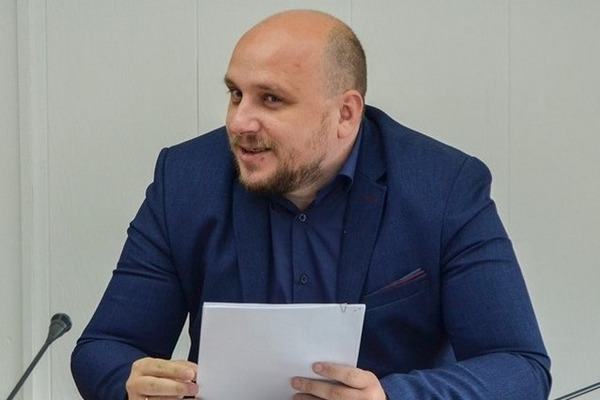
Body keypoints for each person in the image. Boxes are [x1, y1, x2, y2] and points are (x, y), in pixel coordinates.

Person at [71, 9, 551, 400]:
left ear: (345, 113)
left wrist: (389, 397)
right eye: (236, 94)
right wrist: (133, 385)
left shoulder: (442, 187)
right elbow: (106, 347)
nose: (239, 123)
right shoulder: (185, 180)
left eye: (271, 99)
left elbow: (520, 366)